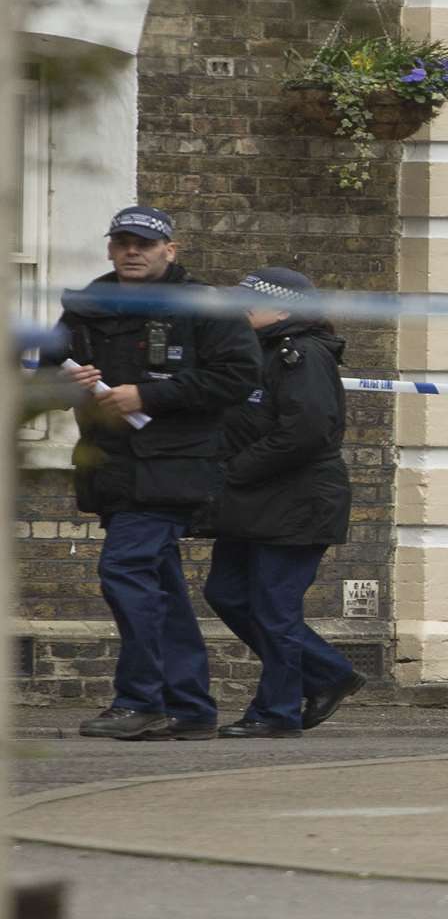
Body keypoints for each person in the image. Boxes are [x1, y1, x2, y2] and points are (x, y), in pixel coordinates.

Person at [61, 206, 260, 741]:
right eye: (123, 242)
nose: (132, 251)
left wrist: (149, 394)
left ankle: (140, 700)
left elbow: (238, 376)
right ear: (109, 249)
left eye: (144, 244)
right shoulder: (86, 306)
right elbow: (41, 371)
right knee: (160, 587)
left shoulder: (204, 307)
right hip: (113, 469)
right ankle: (191, 707)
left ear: (170, 250)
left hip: (174, 467)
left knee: (123, 572)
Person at [201, 268, 365, 738]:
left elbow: (306, 432)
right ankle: (329, 672)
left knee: (275, 608)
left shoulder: (303, 354)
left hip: (297, 501)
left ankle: (276, 711)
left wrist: (232, 471)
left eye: (251, 301)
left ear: (286, 310)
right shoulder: (251, 352)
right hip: (253, 501)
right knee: (227, 593)